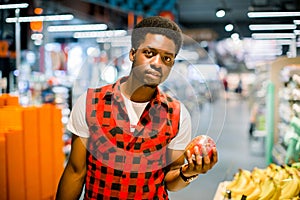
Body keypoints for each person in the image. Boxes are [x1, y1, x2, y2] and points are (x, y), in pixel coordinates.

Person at [56, 16, 218, 200]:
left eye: (166, 58)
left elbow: (171, 180)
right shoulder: (91, 102)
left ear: (172, 64)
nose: (157, 63)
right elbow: (75, 172)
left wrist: (189, 171)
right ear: (133, 53)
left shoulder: (177, 115)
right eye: (149, 53)